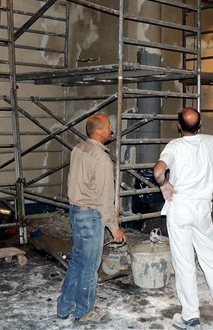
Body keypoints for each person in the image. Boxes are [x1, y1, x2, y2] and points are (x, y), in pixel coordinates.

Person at [153, 108, 213, 330]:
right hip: (202, 210)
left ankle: (191, 317)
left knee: (184, 264)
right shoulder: (212, 142)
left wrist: (164, 184)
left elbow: (158, 171)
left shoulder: (174, 146)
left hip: (180, 210)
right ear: (200, 125)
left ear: (179, 127)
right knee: (210, 259)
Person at [57, 113, 127, 324]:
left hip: (76, 212)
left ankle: (64, 307)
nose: (111, 131)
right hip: (91, 216)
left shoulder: (78, 149)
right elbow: (105, 199)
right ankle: (84, 311)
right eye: (108, 128)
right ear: (98, 132)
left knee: (77, 262)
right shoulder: (101, 159)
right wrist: (114, 227)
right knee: (89, 267)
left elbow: (72, 181)